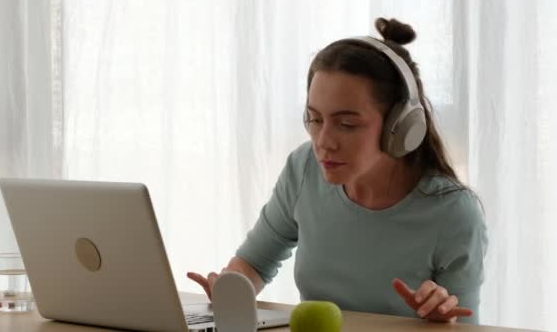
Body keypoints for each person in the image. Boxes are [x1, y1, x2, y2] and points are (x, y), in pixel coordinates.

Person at [188, 17, 487, 325]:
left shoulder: (453, 212)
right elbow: (253, 264)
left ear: (401, 127)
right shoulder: (303, 168)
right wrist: (231, 288)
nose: (323, 142)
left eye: (346, 124)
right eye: (315, 119)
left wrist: (442, 318)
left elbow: (463, 324)